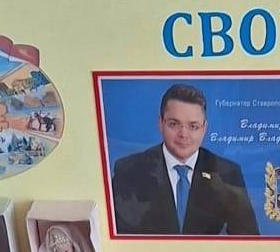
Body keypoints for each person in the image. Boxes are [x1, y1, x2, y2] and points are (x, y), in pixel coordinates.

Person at [109, 82, 259, 237]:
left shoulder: (227, 173)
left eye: (193, 126)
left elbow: (249, 240)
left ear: (204, 129)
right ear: (161, 123)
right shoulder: (130, 171)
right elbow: (119, 240)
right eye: (174, 124)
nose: (183, 134)